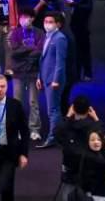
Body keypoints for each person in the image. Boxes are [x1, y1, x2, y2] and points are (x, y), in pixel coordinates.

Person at [6, 12, 43, 141]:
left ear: (32, 19)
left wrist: (24, 51)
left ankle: (34, 129)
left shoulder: (39, 33)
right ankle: (18, 129)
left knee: (34, 102)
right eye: (21, 17)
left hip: (33, 72)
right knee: (17, 102)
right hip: (18, 72)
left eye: (26, 17)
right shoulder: (15, 33)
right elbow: (14, 51)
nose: (23, 20)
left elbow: (40, 51)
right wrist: (31, 48)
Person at [38, 11, 70, 147]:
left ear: (58, 24)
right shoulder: (47, 36)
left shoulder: (60, 38)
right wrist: (39, 77)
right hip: (46, 77)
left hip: (54, 80)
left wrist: (56, 80)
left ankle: (52, 138)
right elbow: (42, 59)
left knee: (53, 110)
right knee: (53, 109)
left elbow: (60, 62)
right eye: (45, 22)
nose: (47, 24)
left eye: (50, 22)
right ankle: (60, 136)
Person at [74, 129, 105, 201]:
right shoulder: (89, 157)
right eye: (92, 140)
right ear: (87, 142)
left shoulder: (101, 155)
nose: (96, 142)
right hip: (96, 195)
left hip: (104, 193)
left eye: (99, 139)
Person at [68, 0, 94, 81]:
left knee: (84, 50)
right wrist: (71, 1)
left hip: (83, 25)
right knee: (77, 50)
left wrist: (74, 4)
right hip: (75, 24)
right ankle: (77, 74)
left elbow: (88, 7)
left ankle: (88, 73)